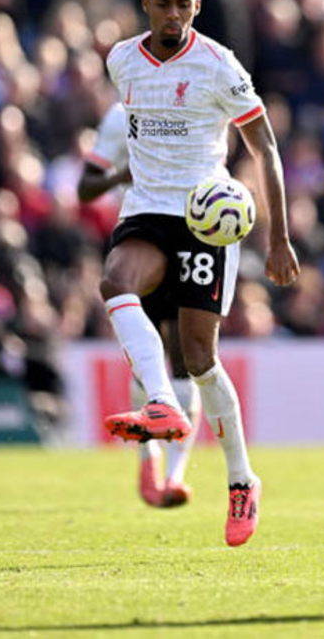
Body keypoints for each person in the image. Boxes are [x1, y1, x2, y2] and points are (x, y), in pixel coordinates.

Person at [99, 0, 300, 547]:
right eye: (162, 3)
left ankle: (242, 479)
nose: (172, 14)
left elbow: (264, 149)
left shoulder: (218, 67)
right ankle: (160, 402)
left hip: (203, 221)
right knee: (116, 283)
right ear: (146, 4)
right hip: (146, 211)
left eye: (182, 5)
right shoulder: (122, 60)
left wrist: (279, 237)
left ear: (196, 9)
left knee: (201, 361)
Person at [78, 102, 201, 508]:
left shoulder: (197, 101)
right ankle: (148, 456)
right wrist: (121, 175)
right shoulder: (121, 115)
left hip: (191, 236)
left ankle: (175, 475)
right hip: (144, 238)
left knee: (188, 358)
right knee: (151, 355)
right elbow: (85, 188)